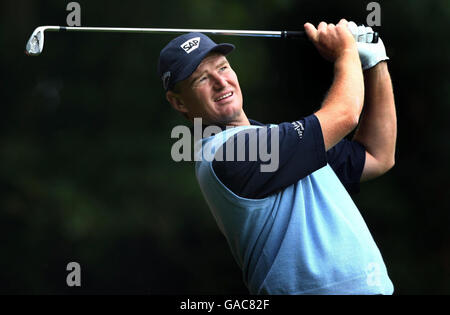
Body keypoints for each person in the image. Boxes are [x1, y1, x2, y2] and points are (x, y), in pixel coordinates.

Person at [157, 19, 397, 295]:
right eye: (201, 78)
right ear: (179, 102)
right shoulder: (227, 154)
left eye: (223, 67)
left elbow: (377, 155)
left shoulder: (279, 141)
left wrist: (376, 62)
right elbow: (345, 114)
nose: (220, 82)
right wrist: (346, 53)